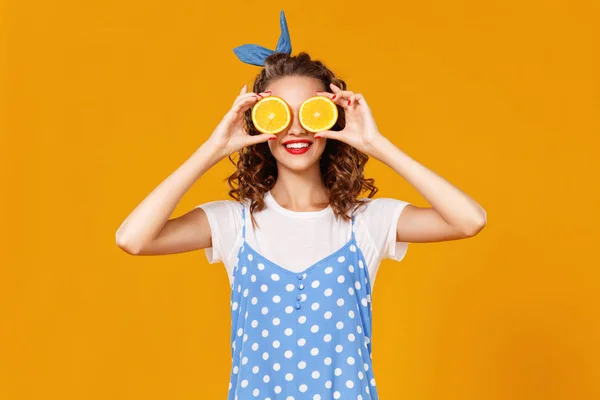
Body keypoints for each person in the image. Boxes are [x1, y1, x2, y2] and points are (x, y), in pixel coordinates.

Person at [115, 10, 487, 400]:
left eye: (309, 113)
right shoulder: (234, 224)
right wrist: (213, 149)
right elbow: (132, 238)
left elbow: (469, 220)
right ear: (259, 124)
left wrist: (377, 144)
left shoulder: (366, 222)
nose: (295, 129)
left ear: (332, 119)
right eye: (279, 114)